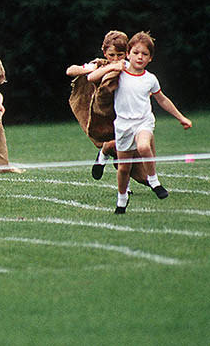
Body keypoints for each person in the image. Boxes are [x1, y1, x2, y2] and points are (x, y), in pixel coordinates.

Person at [87, 32, 192, 214]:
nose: (140, 57)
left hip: (143, 122)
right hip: (123, 126)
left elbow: (162, 100)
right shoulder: (120, 71)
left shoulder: (150, 79)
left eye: (144, 54)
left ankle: (154, 181)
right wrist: (114, 67)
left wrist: (181, 117)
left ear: (150, 58)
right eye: (136, 53)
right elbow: (91, 77)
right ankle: (122, 200)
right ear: (128, 53)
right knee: (123, 169)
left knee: (144, 146)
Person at [66, 30, 127, 179]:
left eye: (120, 55)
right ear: (105, 52)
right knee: (120, 149)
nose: (116, 59)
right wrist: (88, 69)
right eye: (111, 55)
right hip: (104, 116)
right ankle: (105, 154)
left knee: (124, 154)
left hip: (125, 112)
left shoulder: (130, 66)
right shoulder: (101, 65)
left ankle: (106, 159)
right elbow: (70, 71)